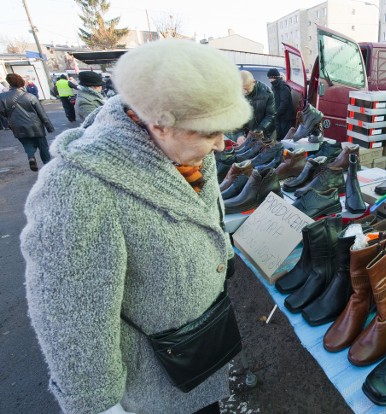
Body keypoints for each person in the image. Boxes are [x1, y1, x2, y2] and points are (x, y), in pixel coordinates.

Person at [21, 39, 252, 414]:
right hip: (153, 386)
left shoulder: (183, 150)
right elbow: (71, 318)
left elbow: (202, 211)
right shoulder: (79, 188)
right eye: (212, 132)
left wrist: (221, 254)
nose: (223, 144)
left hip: (199, 350)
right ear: (160, 125)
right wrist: (98, 405)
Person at [0, 73, 54, 171]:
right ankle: (47, 165)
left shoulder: (2, 97)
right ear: (21, 83)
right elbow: (42, 114)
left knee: (27, 144)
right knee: (43, 146)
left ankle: (31, 157)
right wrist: (49, 126)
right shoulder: (30, 96)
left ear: (9, 83)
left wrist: (9, 120)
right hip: (35, 125)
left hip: (17, 126)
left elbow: (2, 113)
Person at [231, 70, 275, 144]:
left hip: (265, 131)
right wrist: (239, 135)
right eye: (241, 88)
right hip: (245, 132)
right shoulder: (235, 93)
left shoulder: (267, 93)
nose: (244, 92)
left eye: (246, 88)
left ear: (253, 82)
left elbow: (271, 115)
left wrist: (259, 130)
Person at [267, 68, 296, 141]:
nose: (269, 80)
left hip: (286, 116)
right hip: (279, 116)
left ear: (274, 77)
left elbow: (284, 103)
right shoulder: (274, 86)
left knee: (285, 136)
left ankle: (286, 151)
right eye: (269, 78)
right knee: (279, 135)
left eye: (270, 78)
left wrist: (276, 113)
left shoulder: (283, 87)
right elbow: (274, 100)